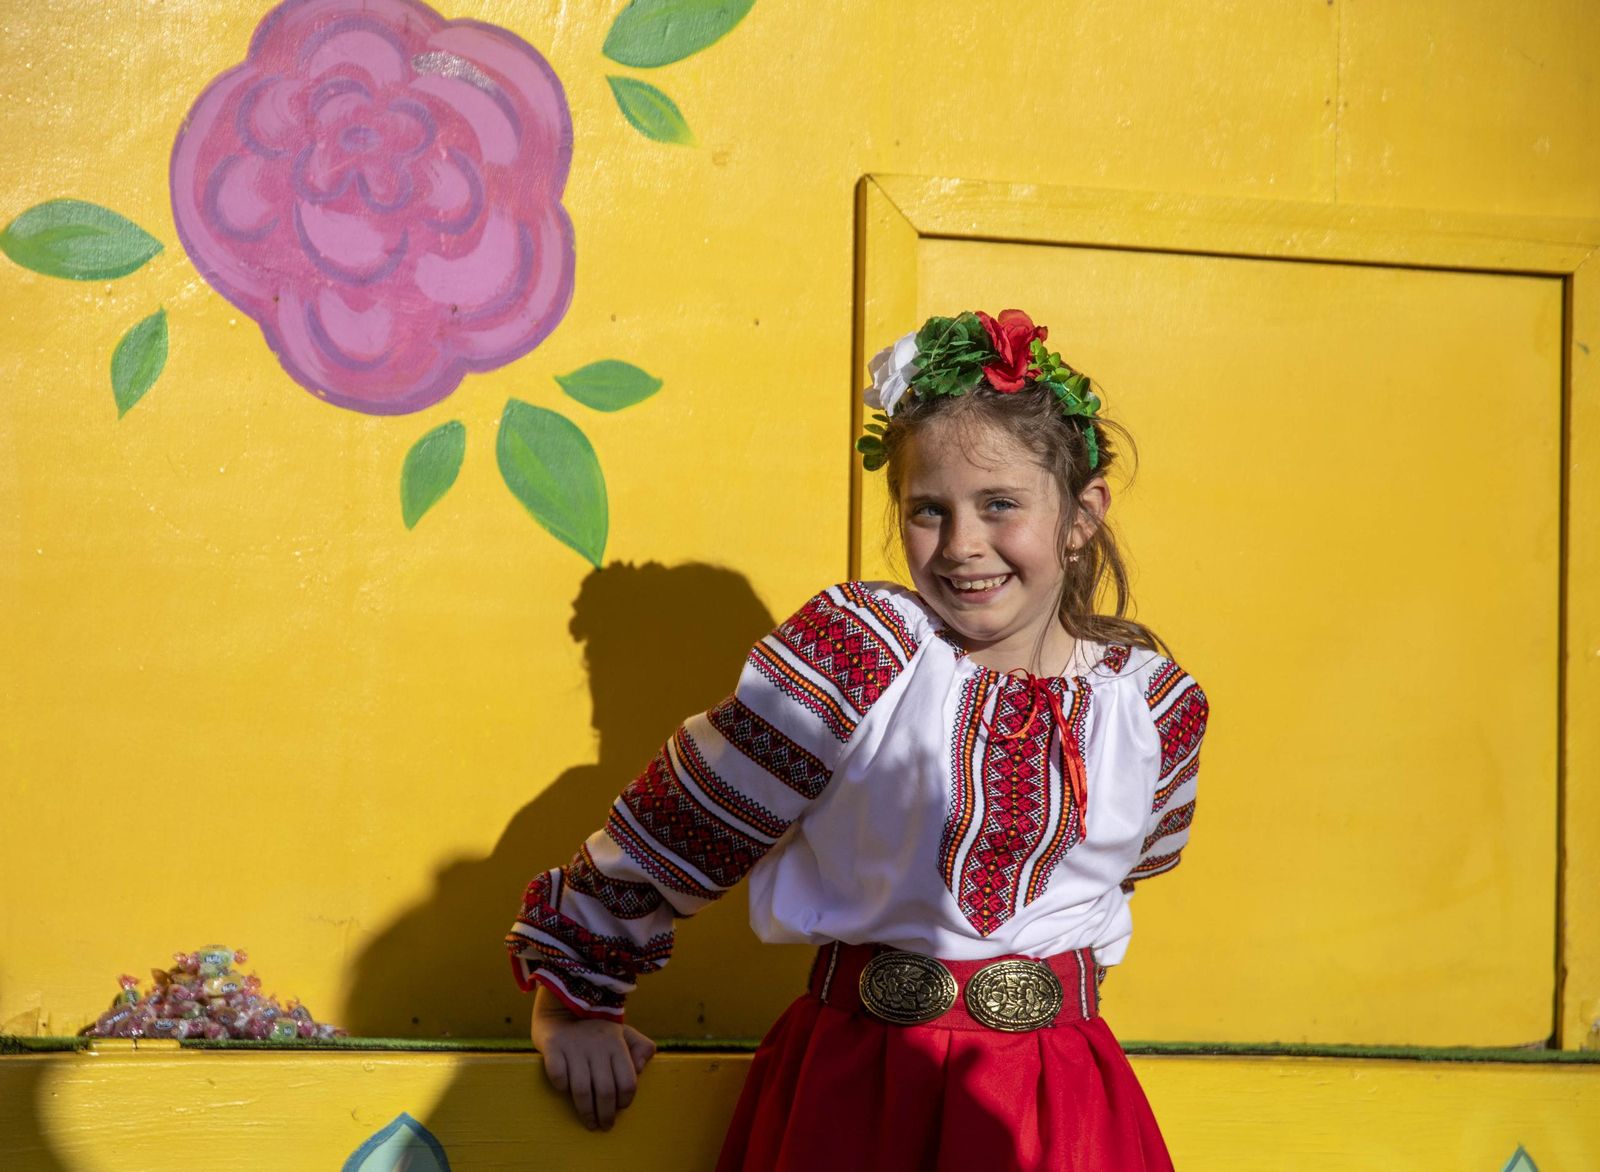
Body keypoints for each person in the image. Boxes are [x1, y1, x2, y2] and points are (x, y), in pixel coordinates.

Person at [506, 308, 1210, 1171]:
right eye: (927, 509)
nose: (962, 546)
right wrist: (576, 1001)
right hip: (862, 1090)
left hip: (1058, 1107)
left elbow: (1131, 873)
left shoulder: (1156, 708)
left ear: (1080, 512)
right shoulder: (859, 654)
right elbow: (685, 823)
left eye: (999, 505)